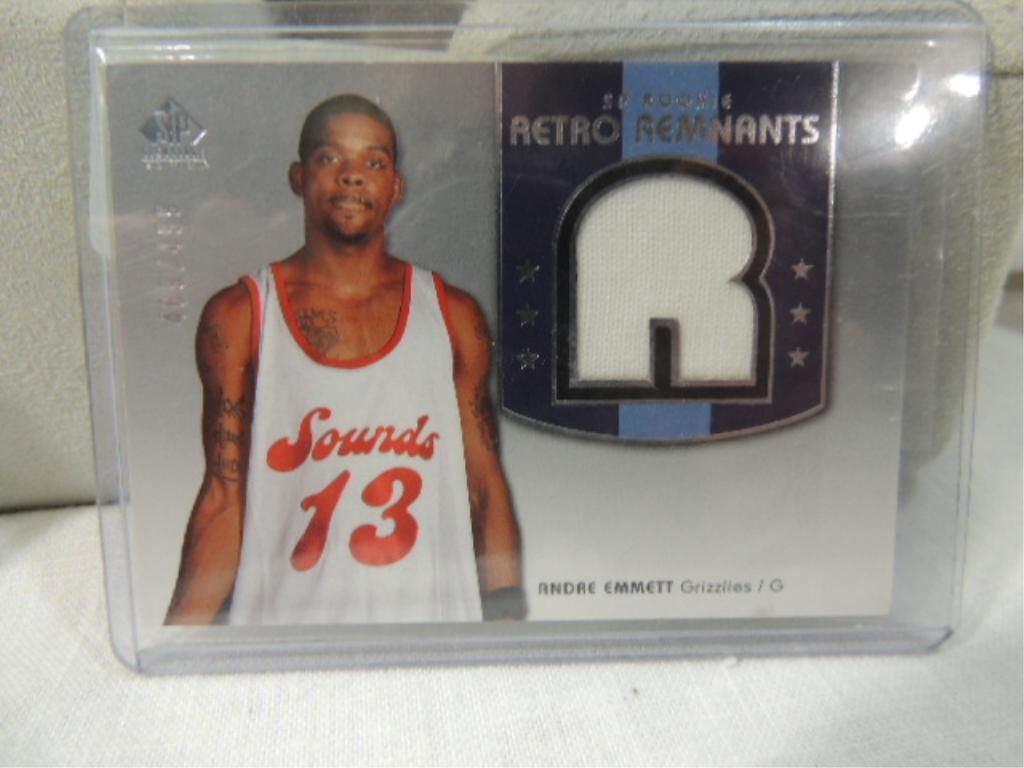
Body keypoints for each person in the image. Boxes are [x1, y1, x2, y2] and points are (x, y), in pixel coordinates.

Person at [165, 94, 523, 625]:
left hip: (431, 633)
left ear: (396, 186)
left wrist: (506, 621)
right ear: (298, 177)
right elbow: (223, 499)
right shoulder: (241, 315)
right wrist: (178, 642)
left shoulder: (453, 315)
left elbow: (484, 485)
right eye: (330, 157)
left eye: (374, 162)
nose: (353, 176)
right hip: (291, 635)